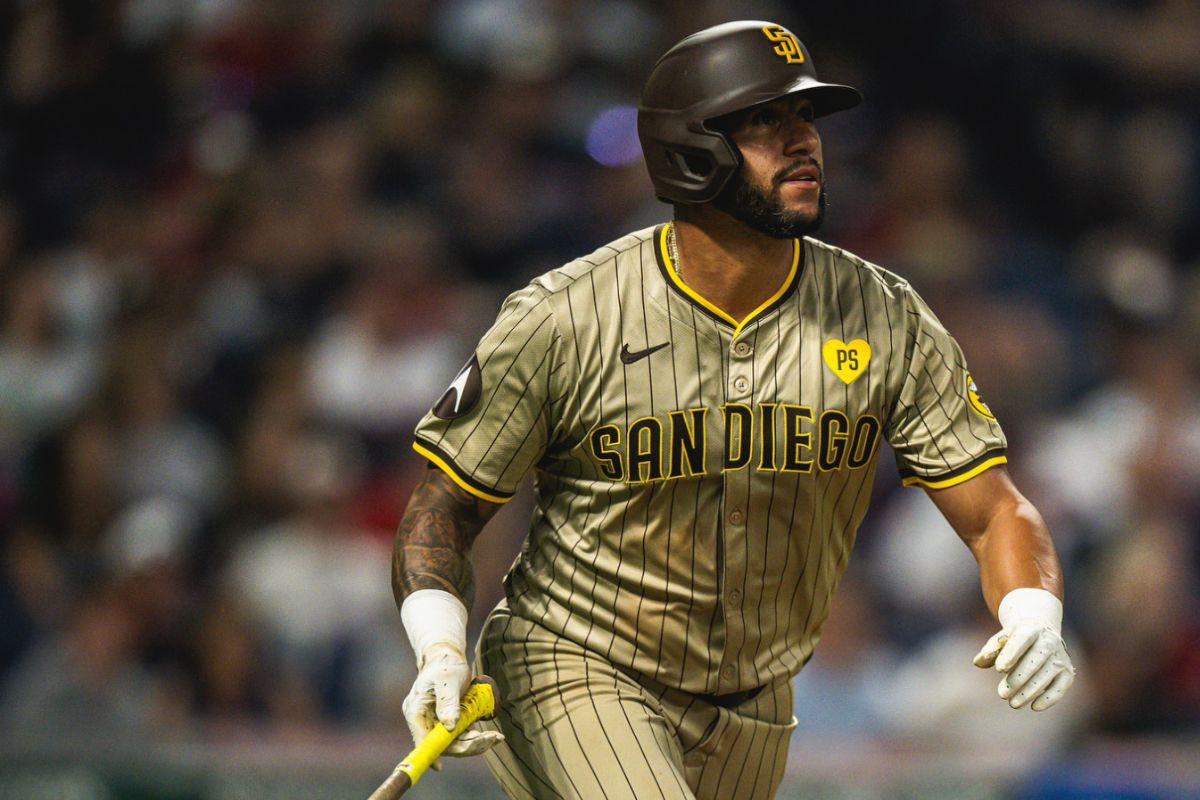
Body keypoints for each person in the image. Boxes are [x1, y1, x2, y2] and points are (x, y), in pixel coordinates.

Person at [392, 20, 1076, 800]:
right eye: (765, 122)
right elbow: (443, 508)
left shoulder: (883, 315)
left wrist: (1030, 609)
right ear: (690, 147)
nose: (804, 142)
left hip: (755, 707)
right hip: (573, 667)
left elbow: (992, 513)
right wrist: (442, 648)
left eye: (806, 119)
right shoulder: (568, 315)